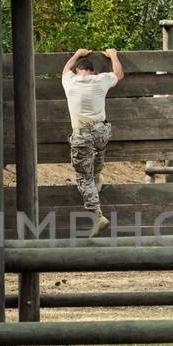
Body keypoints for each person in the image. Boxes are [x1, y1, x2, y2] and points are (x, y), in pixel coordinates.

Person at [61, 47, 124, 236]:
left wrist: (77, 54)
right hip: (101, 131)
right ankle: (97, 174)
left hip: (82, 135)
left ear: (77, 71)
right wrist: (113, 55)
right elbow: (119, 74)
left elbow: (65, 70)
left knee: (83, 177)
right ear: (92, 71)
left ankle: (97, 216)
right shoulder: (101, 80)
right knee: (99, 148)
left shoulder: (69, 81)